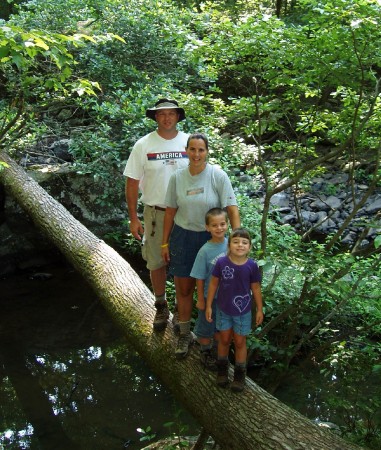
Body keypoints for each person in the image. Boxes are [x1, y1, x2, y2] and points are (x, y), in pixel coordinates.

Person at [161, 133, 240, 359]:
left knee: (215, 292)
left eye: (201, 150)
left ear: (207, 152)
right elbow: (170, 211)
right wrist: (165, 242)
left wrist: (237, 240)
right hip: (183, 238)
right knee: (184, 289)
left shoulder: (217, 175)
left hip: (213, 240)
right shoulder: (177, 177)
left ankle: (213, 341)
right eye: (192, 149)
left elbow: (232, 208)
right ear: (186, 150)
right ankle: (184, 334)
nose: (196, 154)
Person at [123, 98, 189, 332]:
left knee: (184, 262)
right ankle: (161, 305)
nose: (167, 118)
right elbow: (131, 183)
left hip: (186, 214)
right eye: (162, 114)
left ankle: (183, 311)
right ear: (155, 117)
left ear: (178, 117)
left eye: (171, 113)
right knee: (156, 261)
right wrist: (133, 217)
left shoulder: (189, 143)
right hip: (155, 213)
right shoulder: (144, 145)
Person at [205, 228, 264, 392]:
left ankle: (239, 375)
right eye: (236, 242)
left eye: (244, 242)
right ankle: (222, 369)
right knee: (223, 340)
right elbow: (213, 284)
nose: (240, 245)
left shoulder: (252, 266)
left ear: (250, 247)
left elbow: (256, 288)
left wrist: (259, 309)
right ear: (229, 245)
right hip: (223, 309)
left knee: (240, 342)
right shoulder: (222, 263)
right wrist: (208, 305)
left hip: (243, 312)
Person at [190, 207, 228, 371]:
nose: (219, 228)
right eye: (214, 225)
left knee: (221, 328)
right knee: (206, 327)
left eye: (222, 224)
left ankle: (219, 353)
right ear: (207, 228)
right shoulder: (204, 251)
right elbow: (199, 276)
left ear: (227, 225)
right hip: (209, 298)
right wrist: (200, 299)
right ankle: (205, 352)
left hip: (227, 298)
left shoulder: (231, 244)